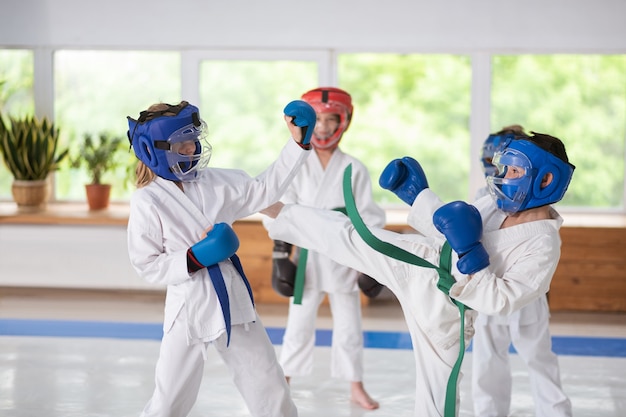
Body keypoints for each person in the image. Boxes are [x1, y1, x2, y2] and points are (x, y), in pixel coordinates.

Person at [261, 132, 575, 416]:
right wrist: (419, 195)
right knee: (353, 237)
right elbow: (450, 227)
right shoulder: (497, 206)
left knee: (438, 399)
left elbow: (501, 301)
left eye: (514, 171)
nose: (503, 178)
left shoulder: (543, 245)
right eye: (503, 169)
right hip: (423, 264)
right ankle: (266, 204)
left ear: (545, 180)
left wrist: (471, 257)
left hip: (450, 312)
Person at [126, 99, 315, 417]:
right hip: (188, 305)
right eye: (181, 143)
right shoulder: (148, 201)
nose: (191, 149)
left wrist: (297, 143)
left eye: (193, 140)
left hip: (232, 298)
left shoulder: (217, 182)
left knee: (268, 383)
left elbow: (264, 190)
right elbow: (146, 263)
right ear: (154, 149)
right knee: (170, 398)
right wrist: (194, 258)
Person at [263, 87, 385, 410]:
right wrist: (281, 253)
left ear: (344, 122)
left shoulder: (354, 168)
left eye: (332, 120)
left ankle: (356, 385)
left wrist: (369, 263)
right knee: (298, 324)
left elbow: (369, 217)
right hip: (306, 257)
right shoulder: (295, 164)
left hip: (344, 254)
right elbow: (278, 207)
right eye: (319, 120)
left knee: (349, 325)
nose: (324, 128)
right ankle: (284, 380)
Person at [472, 126, 573, 417]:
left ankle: (555, 412)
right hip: (487, 294)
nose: (503, 174)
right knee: (487, 362)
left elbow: (538, 261)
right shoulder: (492, 197)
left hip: (526, 300)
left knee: (539, 359)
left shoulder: (540, 223)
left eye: (514, 169)